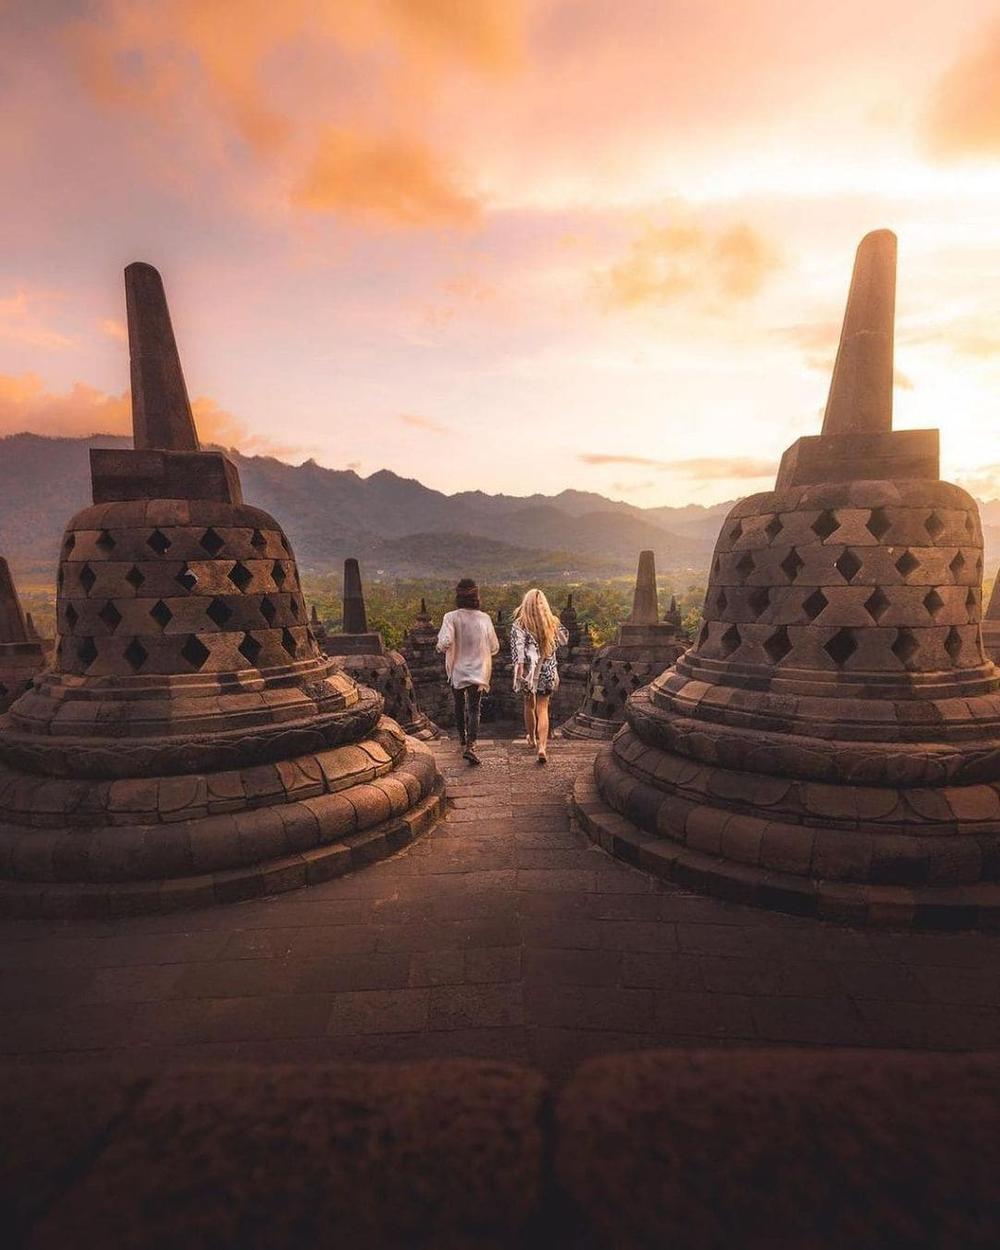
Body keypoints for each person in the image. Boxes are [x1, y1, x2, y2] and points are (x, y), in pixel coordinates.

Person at [436, 578, 499, 766]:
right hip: (479, 669)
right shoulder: (484, 618)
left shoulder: (451, 617)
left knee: (458, 704)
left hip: (458, 668)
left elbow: (445, 642)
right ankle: (471, 746)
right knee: (474, 708)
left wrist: (440, 647)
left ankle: (462, 738)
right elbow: (495, 646)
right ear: (476, 597)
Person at [511, 588, 568, 765]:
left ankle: (531, 738)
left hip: (528, 671)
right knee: (543, 709)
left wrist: (519, 670)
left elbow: (517, 649)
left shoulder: (520, 623)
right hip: (547, 670)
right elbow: (564, 640)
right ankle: (542, 747)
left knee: (529, 705)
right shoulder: (553, 622)